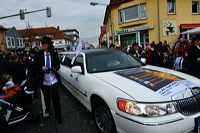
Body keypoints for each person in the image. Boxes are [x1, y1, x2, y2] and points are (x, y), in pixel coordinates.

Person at [34, 36, 63, 124]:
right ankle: (47, 107)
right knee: (47, 98)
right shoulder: (38, 54)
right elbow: (34, 67)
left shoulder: (54, 54)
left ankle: (59, 117)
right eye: (42, 43)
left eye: (44, 43)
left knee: (55, 98)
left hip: (53, 80)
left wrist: (55, 69)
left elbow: (58, 65)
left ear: (49, 45)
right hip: (44, 81)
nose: (42, 45)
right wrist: (41, 67)